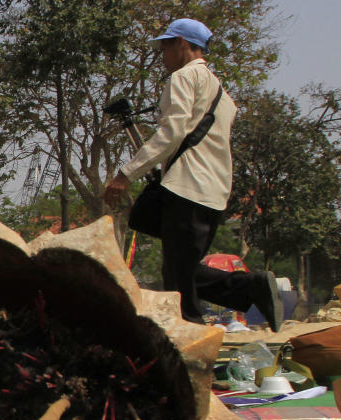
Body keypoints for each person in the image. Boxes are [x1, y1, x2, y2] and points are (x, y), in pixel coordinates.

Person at [104, 18, 283, 331]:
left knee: (179, 286)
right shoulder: (222, 94)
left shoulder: (184, 78)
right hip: (213, 194)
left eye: (166, 47)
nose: (163, 55)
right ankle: (250, 288)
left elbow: (172, 132)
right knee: (181, 270)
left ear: (182, 44)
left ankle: (195, 333)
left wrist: (125, 174)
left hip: (186, 188)